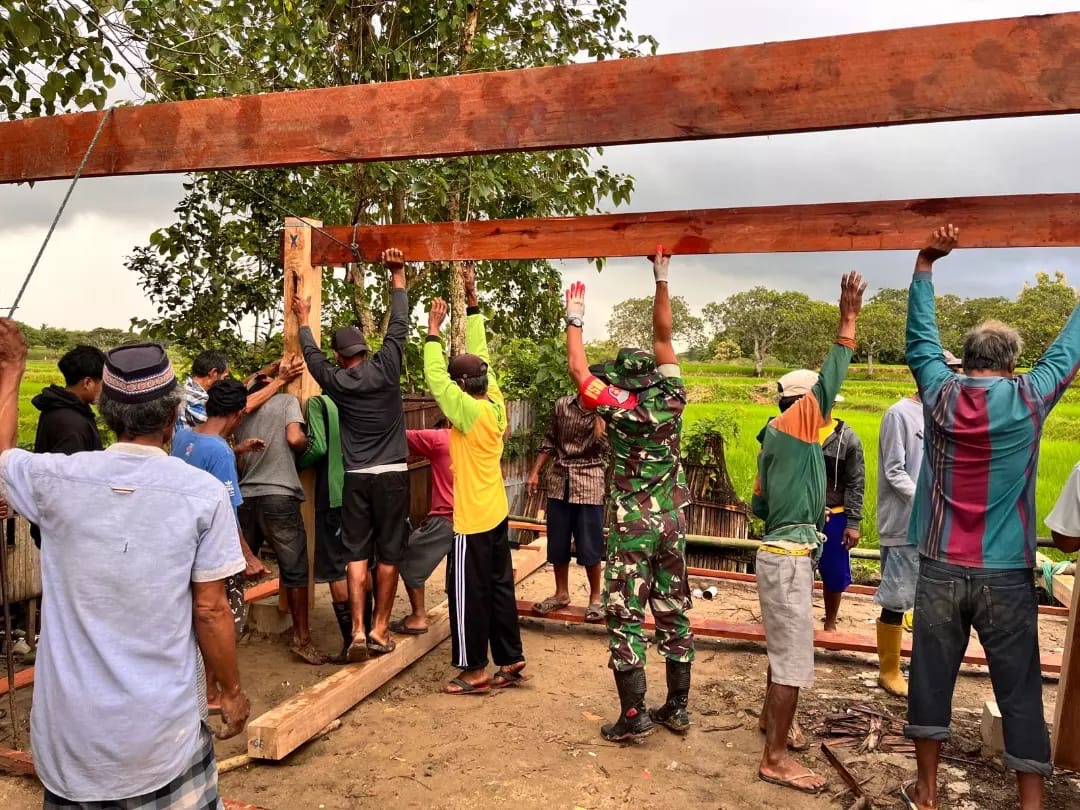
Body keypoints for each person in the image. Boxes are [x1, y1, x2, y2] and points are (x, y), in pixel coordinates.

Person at [0, 323, 250, 807]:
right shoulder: (201, 494)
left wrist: (11, 369)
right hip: (164, 738)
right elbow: (211, 610)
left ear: (105, 410)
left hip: (70, 745)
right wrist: (232, 692)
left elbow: (3, 458)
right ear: (173, 416)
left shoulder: (56, 478)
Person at [901, 225, 1080, 810]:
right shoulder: (1031, 396)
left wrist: (925, 265)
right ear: (1012, 362)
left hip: (939, 568)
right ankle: (1031, 804)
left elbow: (921, 342)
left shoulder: (939, 393)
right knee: (1020, 688)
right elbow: (1070, 348)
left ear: (968, 359)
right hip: (1006, 574)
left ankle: (928, 792)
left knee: (930, 679)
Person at [563, 248, 694, 742]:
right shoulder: (673, 396)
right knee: (673, 608)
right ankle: (676, 709)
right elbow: (664, 337)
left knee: (625, 614)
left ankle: (634, 716)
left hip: (632, 523)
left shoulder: (616, 406)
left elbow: (579, 371)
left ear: (623, 381)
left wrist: (575, 318)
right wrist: (661, 277)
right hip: (672, 523)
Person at [751, 271, 866, 796]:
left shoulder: (773, 441)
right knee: (794, 664)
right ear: (803, 404)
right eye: (822, 403)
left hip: (778, 552)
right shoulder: (800, 425)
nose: (829, 409)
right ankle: (774, 758)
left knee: (782, 653)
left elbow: (759, 505)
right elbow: (833, 373)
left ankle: (770, 723)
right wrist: (848, 320)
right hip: (790, 558)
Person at [293, 248, 410, 661]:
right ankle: (380, 629)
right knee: (389, 553)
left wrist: (303, 320)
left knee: (355, 553)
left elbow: (312, 358)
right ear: (365, 348)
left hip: (356, 477)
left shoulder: (336, 382)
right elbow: (399, 326)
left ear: (341, 358)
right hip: (393, 473)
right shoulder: (388, 366)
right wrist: (397, 275)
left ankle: (357, 631)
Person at [424, 264, 527, 695]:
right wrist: (472, 302)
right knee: (500, 586)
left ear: (463, 385)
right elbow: (482, 354)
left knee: (465, 592)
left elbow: (435, 379)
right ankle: (511, 656)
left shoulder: (467, 411)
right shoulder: (495, 402)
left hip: (471, 520)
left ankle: (474, 670)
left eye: (456, 382)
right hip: (497, 513)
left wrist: (433, 331)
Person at [172, 378, 269, 708]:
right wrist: (248, 556)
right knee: (222, 617)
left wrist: (237, 450)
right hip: (209, 549)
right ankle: (212, 692)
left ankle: (196, 685)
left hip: (181, 542)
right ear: (239, 414)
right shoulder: (220, 452)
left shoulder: (184, 437)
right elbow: (228, 510)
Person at [874, 351, 962, 698]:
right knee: (897, 598)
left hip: (938, 526)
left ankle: (921, 669)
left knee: (932, 600)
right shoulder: (899, 414)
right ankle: (889, 670)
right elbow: (894, 471)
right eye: (949, 373)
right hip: (905, 524)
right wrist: (930, 503)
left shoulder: (946, 414)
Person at [235, 374, 327, 665]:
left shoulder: (241, 413)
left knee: (235, 570)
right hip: (279, 495)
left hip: (246, 498)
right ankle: (302, 640)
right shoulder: (286, 401)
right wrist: (309, 444)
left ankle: (224, 635)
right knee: (295, 569)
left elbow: (239, 462)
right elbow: (294, 438)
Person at [527, 394, 607, 623]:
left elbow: (612, 448)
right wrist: (535, 472)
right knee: (558, 541)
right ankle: (561, 593)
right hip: (560, 481)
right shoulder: (562, 404)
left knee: (590, 543)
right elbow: (549, 439)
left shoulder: (607, 410)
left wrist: (602, 426)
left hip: (589, 483)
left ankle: (595, 598)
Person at [391, 418, 455, 635]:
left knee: (407, 558)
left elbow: (394, 432)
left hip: (447, 517)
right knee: (462, 575)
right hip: (478, 519)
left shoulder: (442, 439)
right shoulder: (484, 440)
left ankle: (418, 617)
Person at [818, 405, 865, 631]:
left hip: (835, 514)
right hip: (802, 514)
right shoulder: (798, 433)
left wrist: (853, 522)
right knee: (797, 570)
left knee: (834, 571)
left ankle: (830, 623)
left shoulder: (848, 439)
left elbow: (856, 482)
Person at [176, 349, 303, 431]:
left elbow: (235, 390)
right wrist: (280, 380)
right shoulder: (198, 399)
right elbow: (240, 405)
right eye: (225, 377)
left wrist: (272, 368)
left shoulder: (188, 390)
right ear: (213, 373)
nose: (226, 383)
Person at [32, 344, 105, 454]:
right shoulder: (72, 424)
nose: (106, 390)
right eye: (103, 384)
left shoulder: (59, 406)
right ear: (87, 383)